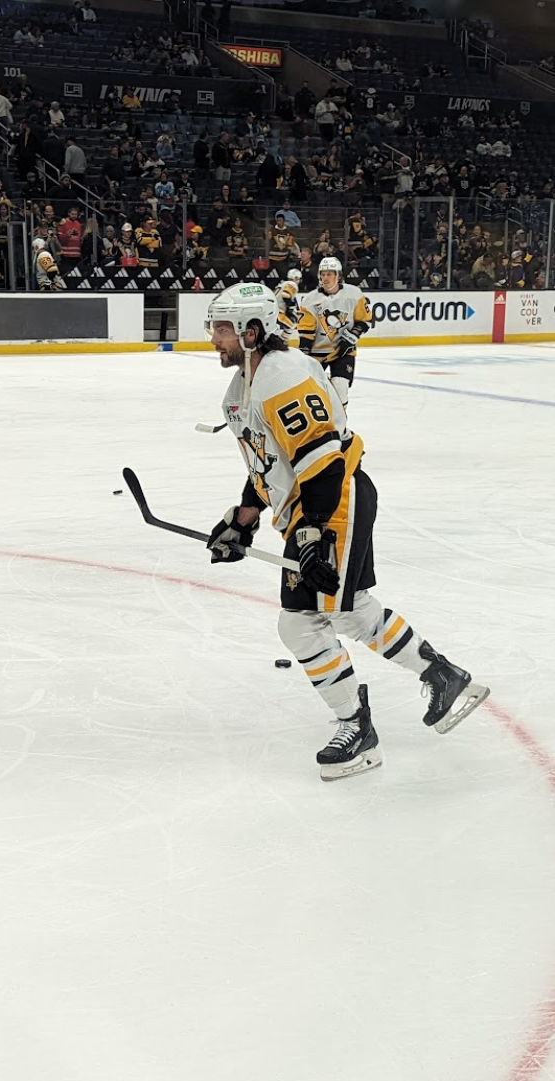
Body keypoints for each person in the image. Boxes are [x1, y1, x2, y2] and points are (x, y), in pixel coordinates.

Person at [204, 283, 489, 781]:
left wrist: (314, 530)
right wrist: (242, 521)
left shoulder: (283, 374)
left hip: (334, 502)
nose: (214, 340)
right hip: (321, 506)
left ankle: (357, 730)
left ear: (253, 331)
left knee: (300, 623)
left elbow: (322, 459)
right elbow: (268, 465)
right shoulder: (243, 388)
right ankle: (445, 676)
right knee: (351, 610)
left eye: (223, 329)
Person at [297, 257, 371, 410]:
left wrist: (350, 338)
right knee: (311, 392)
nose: (325, 278)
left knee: (340, 386)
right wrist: (304, 354)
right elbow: (306, 331)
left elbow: (365, 320)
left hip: (343, 351)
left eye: (330, 274)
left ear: (338, 275)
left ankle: (340, 426)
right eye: (323, 274)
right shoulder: (310, 299)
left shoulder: (354, 294)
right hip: (317, 352)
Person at [275, 267, 301, 338]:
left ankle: (278, 341)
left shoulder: (282, 284)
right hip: (278, 312)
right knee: (292, 324)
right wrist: (290, 308)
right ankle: (281, 342)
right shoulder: (292, 284)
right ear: (295, 278)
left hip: (272, 311)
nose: (299, 281)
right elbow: (285, 295)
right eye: (298, 279)